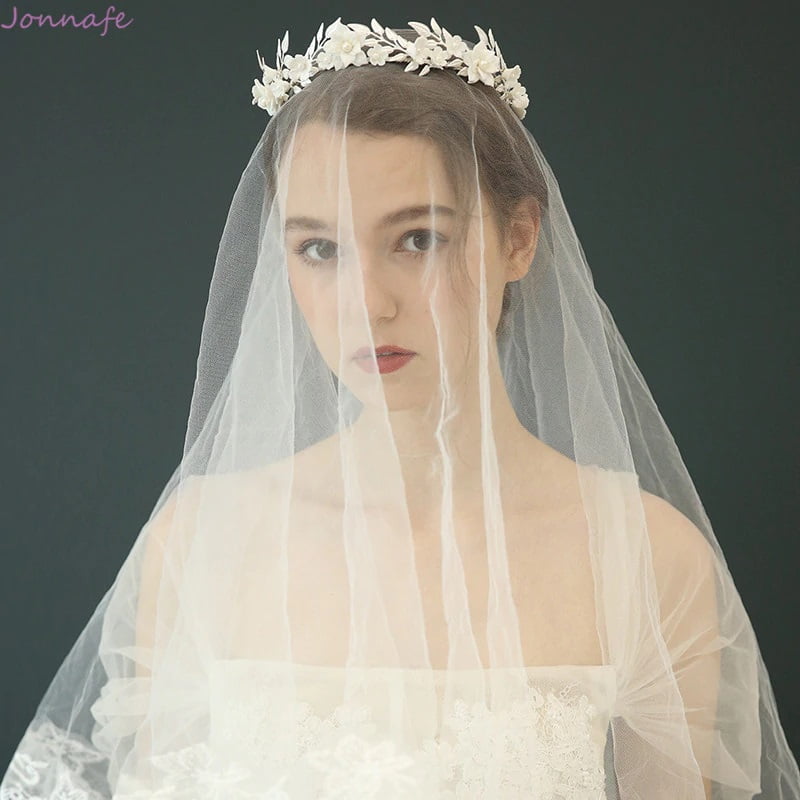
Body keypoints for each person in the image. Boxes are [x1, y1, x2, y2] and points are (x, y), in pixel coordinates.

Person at [1, 17, 798, 800]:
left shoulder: (648, 564)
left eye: (418, 239)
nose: (365, 306)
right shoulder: (197, 547)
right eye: (319, 248)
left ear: (519, 239)